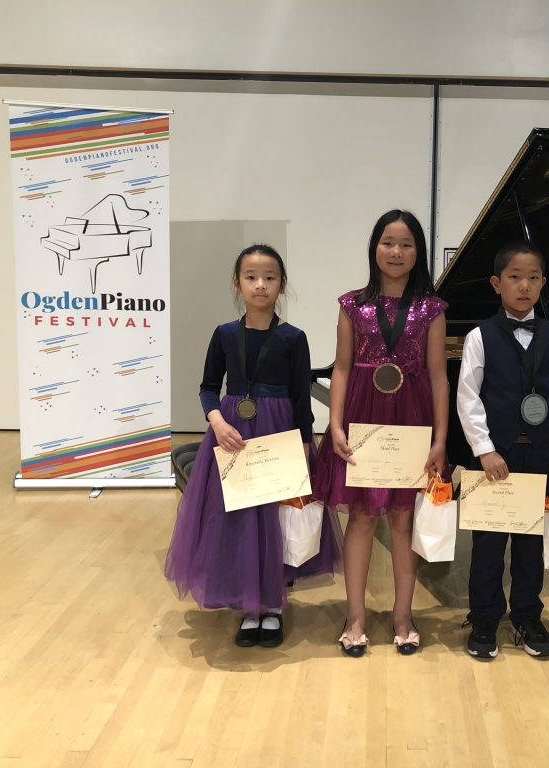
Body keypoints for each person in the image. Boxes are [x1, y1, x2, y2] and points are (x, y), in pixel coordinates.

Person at [165, 244, 343, 649]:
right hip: (232, 436)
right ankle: (249, 606)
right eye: (251, 277)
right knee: (239, 518)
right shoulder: (224, 335)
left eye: (269, 277)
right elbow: (209, 387)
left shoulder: (293, 339)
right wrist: (217, 421)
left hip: (279, 433)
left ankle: (273, 605)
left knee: (274, 519)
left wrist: (304, 446)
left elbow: (301, 397)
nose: (260, 285)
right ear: (237, 283)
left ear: (281, 285)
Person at [312, 210, 449, 657]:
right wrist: (333, 424)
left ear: (418, 253)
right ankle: (355, 616)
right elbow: (343, 367)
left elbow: (438, 376)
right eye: (388, 242)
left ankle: (403, 615)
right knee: (363, 517)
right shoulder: (352, 304)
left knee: (403, 519)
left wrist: (441, 438)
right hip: (362, 417)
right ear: (374, 247)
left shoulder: (431, 307)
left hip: (411, 417)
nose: (396, 251)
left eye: (406, 244)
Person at [456, 242, 549, 660]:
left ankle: (527, 614)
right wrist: (484, 449)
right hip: (495, 456)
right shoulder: (479, 337)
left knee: (531, 542)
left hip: (540, 453)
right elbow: (468, 399)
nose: (523, 286)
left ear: (543, 284)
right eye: (514, 277)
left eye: (532, 278)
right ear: (497, 284)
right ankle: (485, 615)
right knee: (488, 543)